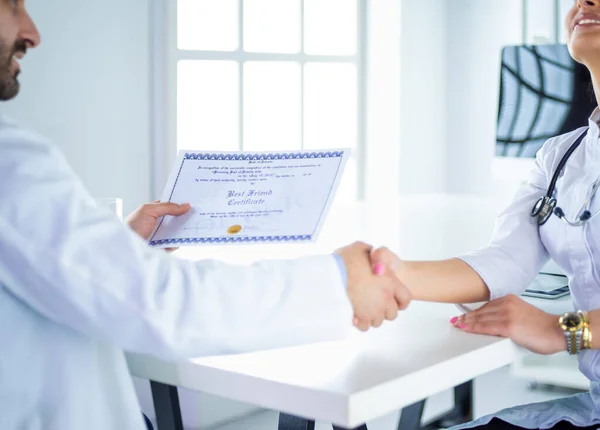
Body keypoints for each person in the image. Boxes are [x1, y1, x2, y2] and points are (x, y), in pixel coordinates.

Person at [0, 1, 412, 429]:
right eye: (12, 3)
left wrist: (115, 249)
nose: (32, 33)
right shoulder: (8, 159)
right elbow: (163, 304)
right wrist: (339, 280)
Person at [370, 1, 600, 428]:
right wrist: (389, 276)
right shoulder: (558, 156)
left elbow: (561, 329)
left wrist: (564, 329)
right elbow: (504, 261)